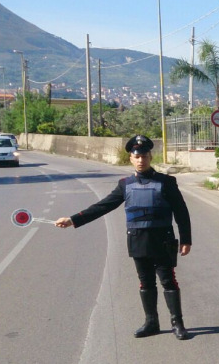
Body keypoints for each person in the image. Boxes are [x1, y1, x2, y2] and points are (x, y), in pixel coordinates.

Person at [55, 135, 193, 340]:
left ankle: (177, 323)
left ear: (150, 157)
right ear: (130, 158)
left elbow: (181, 212)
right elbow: (103, 206)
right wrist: (73, 219)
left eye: (144, 156)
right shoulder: (125, 185)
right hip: (138, 240)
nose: (141, 160)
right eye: (137, 156)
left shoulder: (166, 182)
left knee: (168, 281)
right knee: (145, 282)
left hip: (162, 240)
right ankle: (151, 322)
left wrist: (186, 239)